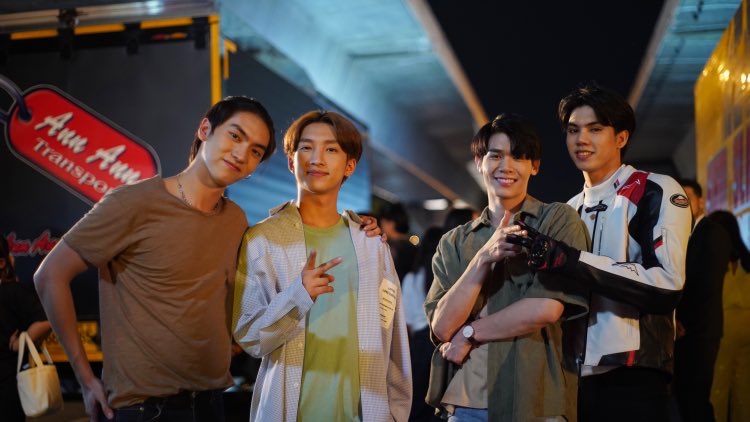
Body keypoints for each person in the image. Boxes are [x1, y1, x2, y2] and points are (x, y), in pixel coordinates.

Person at [508, 83, 691, 421]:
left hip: (635, 376)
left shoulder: (655, 189)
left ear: (621, 137)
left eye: (595, 129)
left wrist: (569, 260)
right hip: (571, 376)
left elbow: (667, 285)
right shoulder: (567, 209)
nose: (581, 139)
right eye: (573, 130)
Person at [232, 110, 411, 421]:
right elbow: (248, 336)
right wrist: (297, 295)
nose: (316, 158)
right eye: (306, 147)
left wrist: (395, 413)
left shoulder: (371, 243)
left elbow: (392, 335)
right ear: (291, 162)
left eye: (331, 149)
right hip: (289, 412)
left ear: (349, 166)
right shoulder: (262, 240)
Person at [424, 113, 590, 421]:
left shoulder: (557, 220)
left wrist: (469, 332)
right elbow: (443, 327)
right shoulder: (455, 242)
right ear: (479, 162)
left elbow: (546, 308)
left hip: (537, 399)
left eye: (518, 156)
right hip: (467, 403)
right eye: (496, 155)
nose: (506, 166)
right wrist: (483, 258)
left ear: (534, 166)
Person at [673, 179, 732, 421]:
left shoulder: (713, 233)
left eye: (688, 199)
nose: (684, 205)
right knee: (684, 398)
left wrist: (683, 320)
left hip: (700, 329)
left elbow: (707, 284)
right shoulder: (683, 233)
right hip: (684, 331)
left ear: (700, 201)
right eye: (679, 200)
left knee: (697, 399)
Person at [1, 233, 52, 422]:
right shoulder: (14, 291)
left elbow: (46, 321)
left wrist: (21, 342)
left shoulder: (12, 292)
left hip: (6, 385)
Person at [708, 210, 750, 422]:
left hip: (723, 327)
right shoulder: (746, 260)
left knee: (719, 384)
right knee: (744, 386)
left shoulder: (715, 260)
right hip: (747, 327)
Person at [402, 226, 443, 422]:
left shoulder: (412, 277)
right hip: (441, 344)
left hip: (418, 345)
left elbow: (407, 319)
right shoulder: (445, 279)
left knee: (417, 404)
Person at [380, 202, 418, 282]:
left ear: (391, 224)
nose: (381, 227)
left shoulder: (391, 247)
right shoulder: (414, 248)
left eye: (382, 223)